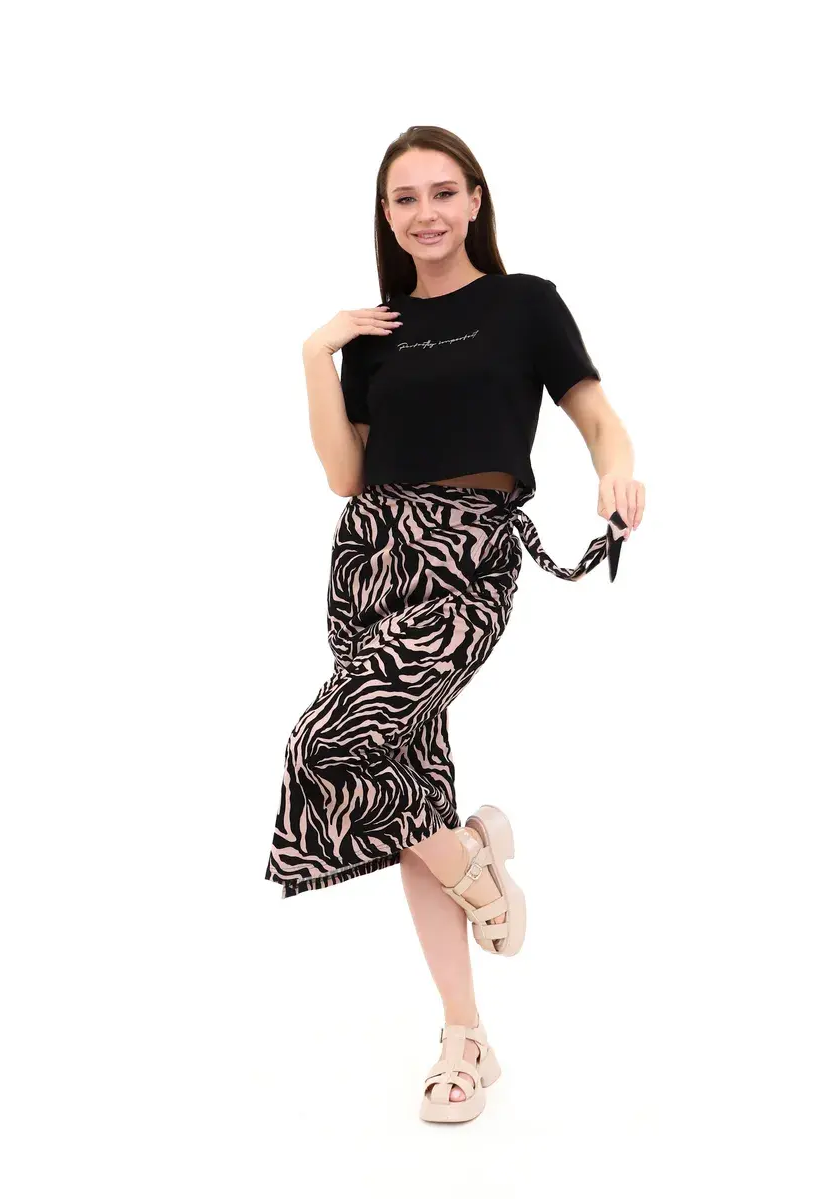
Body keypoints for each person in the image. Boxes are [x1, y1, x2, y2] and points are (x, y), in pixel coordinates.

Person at [264, 125, 646, 1123]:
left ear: (476, 200)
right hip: (369, 557)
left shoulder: (526, 304)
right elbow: (345, 475)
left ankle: (478, 867)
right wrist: (314, 354)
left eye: (443, 192)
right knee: (407, 786)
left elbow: (594, 413)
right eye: (405, 198)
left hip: (468, 556)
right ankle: (465, 1037)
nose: (425, 213)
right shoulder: (372, 334)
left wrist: (616, 471)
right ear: (386, 215)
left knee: (328, 744)